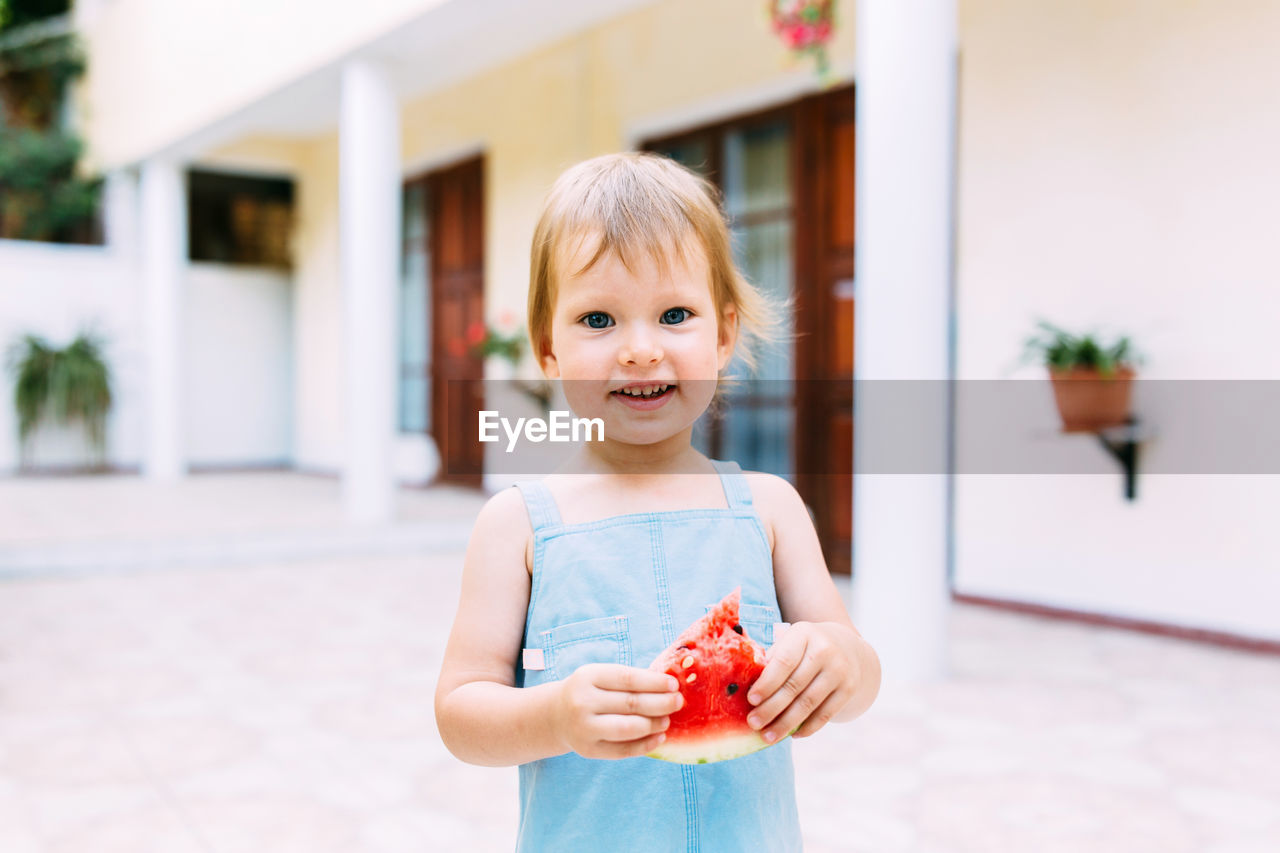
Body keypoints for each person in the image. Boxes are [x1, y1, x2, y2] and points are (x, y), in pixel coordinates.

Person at [434, 152, 881, 852]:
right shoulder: (516, 525)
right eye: (599, 319)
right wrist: (553, 716)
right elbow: (461, 712)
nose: (640, 350)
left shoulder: (769, 508)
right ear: (547, 347)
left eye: (674, 314)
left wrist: (838, 664)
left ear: (724, 334)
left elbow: (857, 668)